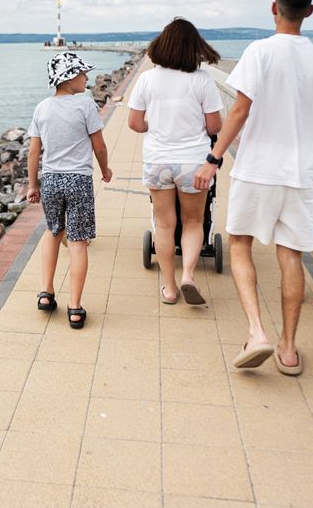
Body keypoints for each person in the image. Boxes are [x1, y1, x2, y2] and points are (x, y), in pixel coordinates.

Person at [194, 0, 313, 375]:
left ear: (274, 7)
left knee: (240, 244)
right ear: (309, 11)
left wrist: (213, 158)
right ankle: (289, 349)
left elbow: (240, 110)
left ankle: (257, 331)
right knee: (291, 255)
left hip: (258, 168)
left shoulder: (259, 51)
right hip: (302, 173)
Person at [127, 18, 224, 306]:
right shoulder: (202, 80)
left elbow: (134, 123)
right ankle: (189, 276)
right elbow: (214, 125)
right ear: (195, 48)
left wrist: (155, 127)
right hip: (194, 162)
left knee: (165, 224)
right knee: (193, 221)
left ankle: (169, 288)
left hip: (158, 160)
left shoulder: (147, 79)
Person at [27, 51, 113, 329]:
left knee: (53, 234)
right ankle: (75, 308)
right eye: (82, 74)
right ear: (69, 77)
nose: (87, 78)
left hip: (50, 180)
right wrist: (105, 169)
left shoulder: (42, 108)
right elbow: (98, 145)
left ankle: (46, 293)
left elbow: (34, 152)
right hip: (78, 181)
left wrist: (32, 185)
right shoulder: (85, 106)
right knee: (77, 243)